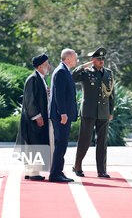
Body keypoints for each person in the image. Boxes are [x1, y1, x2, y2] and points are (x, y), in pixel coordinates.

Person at [72, 47, 114, 178]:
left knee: (102, 142)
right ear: (93, 60)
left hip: (103, 112)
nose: (101, 61)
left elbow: (112, 94)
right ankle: (77, 166)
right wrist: (84, 66)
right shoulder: (86, 72)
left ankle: (102, 170)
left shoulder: (108, 73)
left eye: (103, 59)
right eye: (98, 59)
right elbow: (73, 77)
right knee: (84, 140)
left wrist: (110, 111)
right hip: (89, 111)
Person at [16, 54, 51, 181]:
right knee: (33, 145)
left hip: (38, 118)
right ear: (40, 66)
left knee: (36, 144)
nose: (49, 66)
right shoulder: (33, 79)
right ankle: (33, 173)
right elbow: (30, 101)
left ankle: (30, 171)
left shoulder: (40, 78)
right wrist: (37, 116)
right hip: (33, 120)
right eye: (47, 64)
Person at [49, 48, 78, 182]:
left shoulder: (64, 70)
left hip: (63, 115)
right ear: (68, 58)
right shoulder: (61, 71)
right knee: (61, 143)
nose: (76, 59)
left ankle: (58, 171)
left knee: (62, 144)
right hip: (61, 116)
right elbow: (59, 95)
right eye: (74, 57)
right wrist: (63, 113)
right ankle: (55, 174)